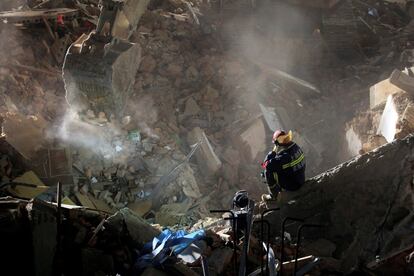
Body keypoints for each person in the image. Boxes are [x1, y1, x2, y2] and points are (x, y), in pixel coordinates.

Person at [261, 130, 306, 201]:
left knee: (268, 172)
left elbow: (265, 165)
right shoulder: (296, 147)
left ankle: (273, 196)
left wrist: (272, 153)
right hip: (301, 180)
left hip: (292, 186)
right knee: (281, 167)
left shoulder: (283, 157)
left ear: (276, 144)